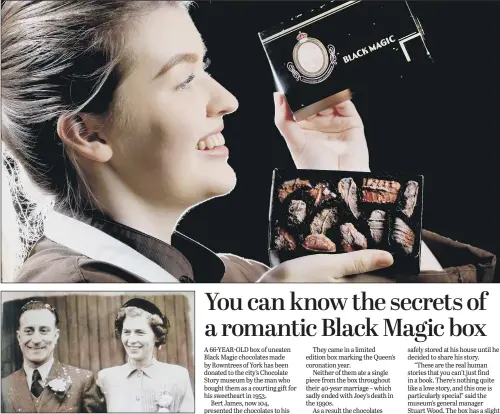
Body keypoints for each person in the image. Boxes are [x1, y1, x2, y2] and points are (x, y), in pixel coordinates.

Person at [1, 1, 495, 283]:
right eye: (183, 79)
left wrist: (345, 181)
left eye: (205, 67)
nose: (228, 100)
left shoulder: (237, 279)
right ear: (88, 133)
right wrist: (255, 338)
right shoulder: (56, 305)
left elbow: (452, 370)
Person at [1, 301, 106, 413]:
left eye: (44, 330)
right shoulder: (4, 386)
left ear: (55, 336)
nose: (36, 340)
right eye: (29, 331)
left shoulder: (82, 382)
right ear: (19, 337)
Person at [97, 298, 194, 412]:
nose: (131, 340)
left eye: (140, 332)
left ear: (157, 336)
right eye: (127, 332)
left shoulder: (178, 376)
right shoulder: (106, 378)